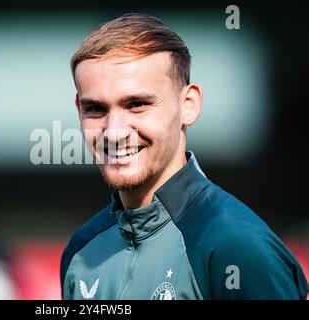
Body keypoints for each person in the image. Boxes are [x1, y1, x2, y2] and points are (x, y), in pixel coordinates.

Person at [60, 13, 308, 300]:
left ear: (188, 105)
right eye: (96, 109)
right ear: (79, 109)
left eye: (137, 104)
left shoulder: (234, 245)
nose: (114, 132)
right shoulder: (82, 252)